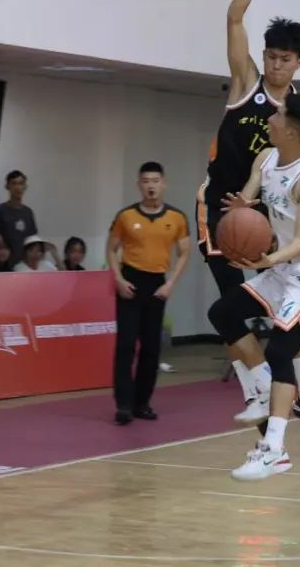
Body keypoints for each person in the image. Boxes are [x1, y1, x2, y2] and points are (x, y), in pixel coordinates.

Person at [195, 0, 300, 433]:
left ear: (299, 63)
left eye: (284, 59)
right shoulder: (245, 83)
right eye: (271, 55)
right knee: (227, 306)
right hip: (222, 210)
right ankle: (258, 389)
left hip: (269, 216)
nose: (275, 64)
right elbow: (234, 17)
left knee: (287, 310)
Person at [207, 94, 300, 480]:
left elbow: (299, 242)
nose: (271, 116)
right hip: (281, 268)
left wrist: (264, 261)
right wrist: (239, 213)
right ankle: (263, 391)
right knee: (222, 313)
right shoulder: (266, 157)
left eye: (279, 114)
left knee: (281, 349)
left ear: (293, 132)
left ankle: (274, 451)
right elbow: (249, 198)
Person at [107, 162, 191, 425]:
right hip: (130, 282)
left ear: (163, 184)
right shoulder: (126, 216)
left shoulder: (176, 218)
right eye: (145, 181)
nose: (151, 186)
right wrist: (118, 279)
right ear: (139, 185)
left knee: (151, 347)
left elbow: (184, 252)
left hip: (157, 284)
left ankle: (142, 403)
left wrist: (170, 284)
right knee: (126, 345)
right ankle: (123, 404)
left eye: (155, 181)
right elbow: (111, 249)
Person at [0, 170, 38, 268]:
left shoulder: (28, 212)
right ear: (7, 186)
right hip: (4, 266)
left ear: (25, 187)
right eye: (14, 183)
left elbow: (33, 239)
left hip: (24, 266)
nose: (18, 187)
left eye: (21, 183)